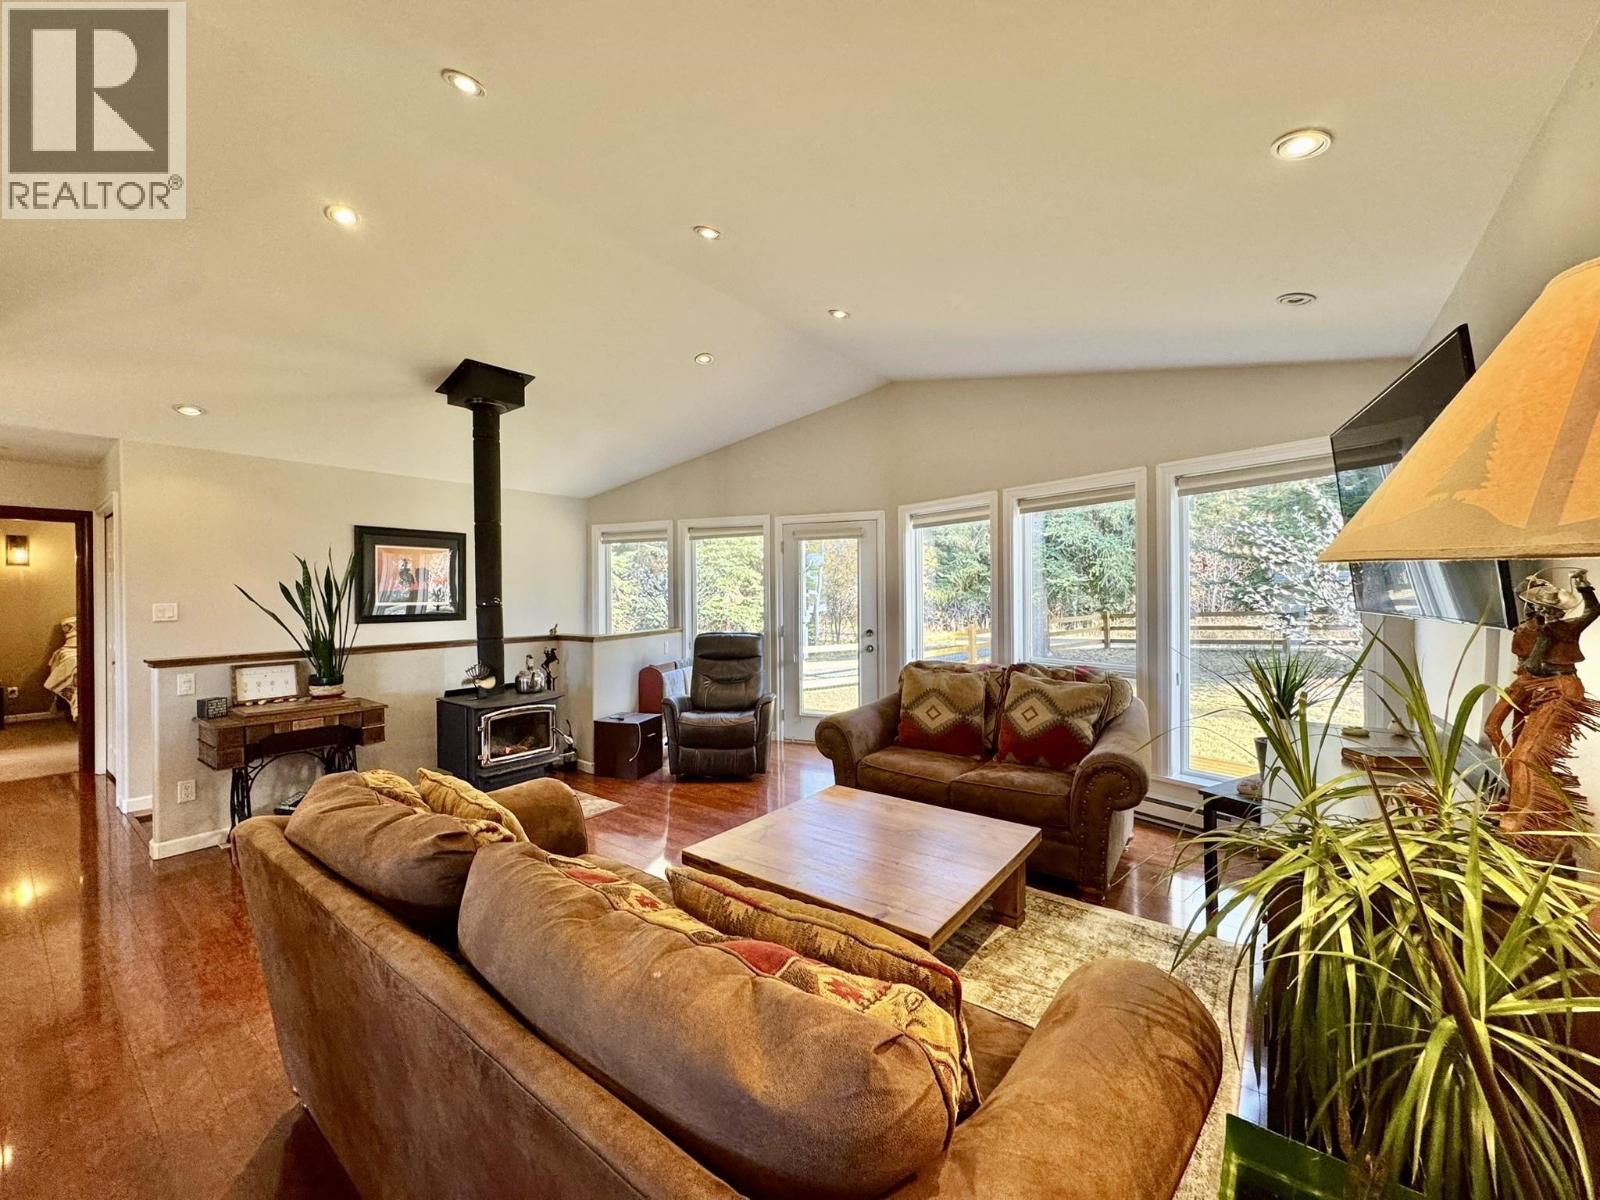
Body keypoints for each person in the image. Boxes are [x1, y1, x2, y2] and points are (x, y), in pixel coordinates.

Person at [1483, 568, 1599, 858]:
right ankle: (1518, 797)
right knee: (1492, 728)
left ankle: (1523, 818)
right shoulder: (1531, 626)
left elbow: (1594, 611)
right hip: (1529, 680)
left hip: (1558, 686)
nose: (1538, 610)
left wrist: (1584, 587)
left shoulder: (1563, 628)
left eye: (1546, 607)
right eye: (1535, 605)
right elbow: (1528, 663)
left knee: (1527, 755)